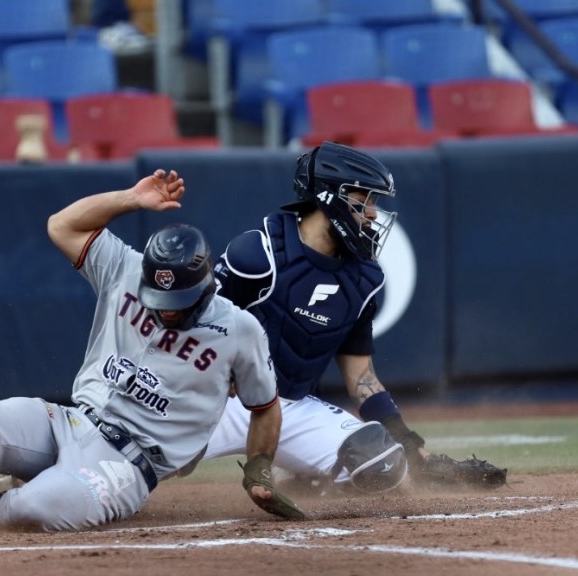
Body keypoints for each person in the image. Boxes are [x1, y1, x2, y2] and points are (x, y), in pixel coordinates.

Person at [0, 168, 304, 532]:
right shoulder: (127, 271)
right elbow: (62, 225)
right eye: (158, 302)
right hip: (73, 420)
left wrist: (258, 468)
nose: (164, 312)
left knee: (34, 508)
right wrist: (130, 198)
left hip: (131, 464)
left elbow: (265, 407)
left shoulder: (239, 329)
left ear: (205, 288)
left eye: (176, 304)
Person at [202, 141, 507, 495]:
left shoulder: (362, 279)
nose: (374, 214)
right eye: (367, 201)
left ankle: (310, 486)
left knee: (386, 466)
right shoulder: (260, 253)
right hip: (221, 399)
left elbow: (361, 378)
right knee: (134, 465)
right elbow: (198, 324)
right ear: (332, 197)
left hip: (290, 408)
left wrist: (411, 447)